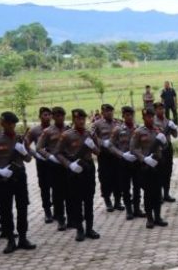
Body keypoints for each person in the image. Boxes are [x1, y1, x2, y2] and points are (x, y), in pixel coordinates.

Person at [0, 112, 35, 254]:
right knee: (6, 210)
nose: (11, 126)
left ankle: (23, 238)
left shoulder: (19, 139)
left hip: (20, 177)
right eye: (7, 123)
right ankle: (11, 240)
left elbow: (29, 159)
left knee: (22, 207)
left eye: (12, 124)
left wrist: (23, 150)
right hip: (4, 179)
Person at [56, 109, 101, 242]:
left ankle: (89, 228)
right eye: (78, 119)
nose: (81, 121)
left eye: (83, 119)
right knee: (76, 200)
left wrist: (93, 146)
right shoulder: (67, 135)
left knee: (89, 199)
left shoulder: (90, 134)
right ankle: (79, 229)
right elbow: (58, 153)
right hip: (74, 168)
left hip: (88, 168)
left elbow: (98, 152)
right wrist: (69, 165)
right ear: (74, 120)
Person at [130, 107, 168, 228]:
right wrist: (143, 158)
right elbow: (133, 148)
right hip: (145, 165)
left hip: (158, 164)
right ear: (143, 118)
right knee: (148, 193)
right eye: (147, 117)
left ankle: (158, 216)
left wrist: (164, 140)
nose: (150, 119)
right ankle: (149, 218)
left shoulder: (159, 129)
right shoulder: (139, 132)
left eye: (151, 116)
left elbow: (165, 146)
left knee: (158, 192)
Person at [36, 107, 70, 231]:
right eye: (57, 115)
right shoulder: (48, 131)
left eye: (62, 115)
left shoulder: (69, 129)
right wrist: (49, 156)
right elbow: (38, 148)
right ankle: (60, 219)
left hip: (67, 164)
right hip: (54, 165)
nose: (60, 118)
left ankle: (71, 218)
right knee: (57, 193)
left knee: (70, 192)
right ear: (53, 117)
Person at [108, 106, 145, 220]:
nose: (129, 117)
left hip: (136, 161)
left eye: (131, 115)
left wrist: (140, 154)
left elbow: (143, 144)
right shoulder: (118, 129)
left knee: (137, 186)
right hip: (123, 162)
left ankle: (137, 208)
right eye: (127, 115)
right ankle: (129, 210)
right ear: (123, 116)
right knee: (125, 187)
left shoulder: (139, 128)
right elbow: (110, 145)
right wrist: (122, 154)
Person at [25, 107, 54, 223]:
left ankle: (58, 211)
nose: (46, 117)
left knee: (57, 187)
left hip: (55, 161)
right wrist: (35, 155)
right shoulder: (34, 130)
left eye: (48, 114)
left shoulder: (55, 129)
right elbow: (26, 145)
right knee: (44, 187)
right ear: (40, 116)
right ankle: (47, 211)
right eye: (44, 115)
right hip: (42, 162)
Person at [91, 104, 121, 212]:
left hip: (116, 154)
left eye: (111, 111)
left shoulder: (118, 122)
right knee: (105, 178)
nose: (109, 113)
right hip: (104, 155)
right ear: (102, 113)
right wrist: (102, 143)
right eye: (106, 111)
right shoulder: (97, 124)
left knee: (118, 178)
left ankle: (118, 201)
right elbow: (92, 136)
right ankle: (108, 201)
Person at [154, 102, 178, 202]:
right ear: (155, 110)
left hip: (168, 148)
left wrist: (174, 127)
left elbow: (175, 135)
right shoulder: (153, 122)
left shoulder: (168, 121)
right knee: (159, 172)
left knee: (168, 171)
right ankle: (158, 195)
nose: (161, 110)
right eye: (158, 109)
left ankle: (166, 194)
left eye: (162, 108)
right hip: (158, 149)